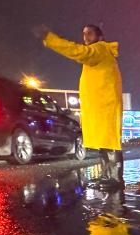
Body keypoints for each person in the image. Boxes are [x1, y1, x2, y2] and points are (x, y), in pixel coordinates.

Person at [36, 24, 124, 188]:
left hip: (106, 104)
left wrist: (51, 39)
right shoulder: (100, 52)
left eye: (89, 33)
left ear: (100, 36)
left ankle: (115, 179)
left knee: (110, 141)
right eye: (84, 34)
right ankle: (108, 176)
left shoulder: (99, 49)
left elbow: (78, 52)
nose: (85, 37)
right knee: (104, 141)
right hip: (101, 105)